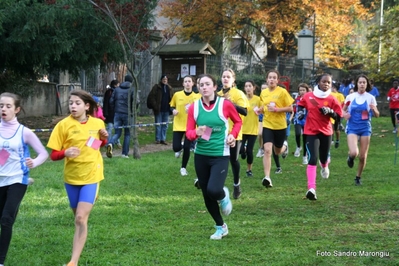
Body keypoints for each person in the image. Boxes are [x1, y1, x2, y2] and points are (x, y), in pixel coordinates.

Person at [47, 90, 108, 266]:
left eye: (77, 103)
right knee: (78, 219)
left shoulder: (97, 123)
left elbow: (96, 145)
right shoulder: (63, 126)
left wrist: (104, 139)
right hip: (72, 178)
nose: (73, 106)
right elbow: (54, 155)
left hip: (92, 175)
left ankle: (73, 262)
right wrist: (65, 152)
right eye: (71, 103)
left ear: (87, 106)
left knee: (80, 218)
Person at [186, 74, 242, 240]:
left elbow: (238, 122)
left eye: (207, 84)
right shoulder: (194, 108)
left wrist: (232, 135)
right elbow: (188, 133)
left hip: (220, 154)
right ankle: (220, 226)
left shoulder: (224, 105)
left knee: (214, 190)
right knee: (206, 194)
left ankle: (223, 195)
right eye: (201, 85)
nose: (204, 87)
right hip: (201, 155)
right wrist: (195, 132)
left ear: (214, 87)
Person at [0, 92, 49, 266]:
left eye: (8, 106)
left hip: (17, 179)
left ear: (17, 109)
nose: (3, 109)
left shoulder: (24, 132)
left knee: (6, 220)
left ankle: (1, 261)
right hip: (0, 179)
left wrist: (33, 163)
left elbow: (43, 153)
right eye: (1, 106)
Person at [297, 73, 343, 200]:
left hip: (326, 132)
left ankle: (324, 165)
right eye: (324, 81)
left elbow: (339, 116)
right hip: (311, 131)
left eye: (329, 82)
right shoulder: (309, 96)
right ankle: (311, 189)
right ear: (319, 82)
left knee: (323, 158)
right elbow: (301, 104)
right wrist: (300, 112)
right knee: (313, 158)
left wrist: (331, 112)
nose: (326, 84)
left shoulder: (332, 99)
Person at [217, 68, 249, 199]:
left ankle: (236, 184)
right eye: (223, 76)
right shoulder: (217, 94)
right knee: (219, 159)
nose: (225, 79)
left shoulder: (238, 93)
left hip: (235, 132)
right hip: (219, 132)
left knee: (233, 160)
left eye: (228, 77)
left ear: (233, 80)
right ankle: (217, 185)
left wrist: (230, 103)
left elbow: (245, 111)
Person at [259, 70, 294, 188]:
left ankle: (285, 146)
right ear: (267, 79)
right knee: (267, 150)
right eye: (270, 77)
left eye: (274, 77)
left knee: (277, 151)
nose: (272, 79)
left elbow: (290, 108)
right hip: (268, 124)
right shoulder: (263, 93)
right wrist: (260, 110)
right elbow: (263, 106)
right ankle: (267, 177)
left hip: (280, 125)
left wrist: (277, 110)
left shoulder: (282, 92)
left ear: (277, 80)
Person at [343, 74, 379, 185]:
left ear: (367, 84)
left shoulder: (370, 98)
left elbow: (377, 115)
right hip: (352, 127)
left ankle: (358, 178)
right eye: (360, 82)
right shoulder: (350, 97)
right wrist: (345, 115)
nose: (362, 84)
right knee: (354, 152)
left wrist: (373, 110)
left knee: (363, 156)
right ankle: (350, 157)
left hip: (365, 128)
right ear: (357, 84)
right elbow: (342, 109)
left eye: (364, 82)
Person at [170, 75, 201, 176]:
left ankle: (183, 168)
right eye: (186, 81)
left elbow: (201, 109)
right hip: (178, 125)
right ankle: (180, 148)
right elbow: (171, 106)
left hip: (190, 126)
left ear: (193, 83)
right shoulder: (177, 95)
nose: (187, 83)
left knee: (187, 147)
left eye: (189, 81)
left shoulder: (197, 97)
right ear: (183, 84)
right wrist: (173, 110)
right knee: (175, 147)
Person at [106, 75, 134, 158]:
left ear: (124, 80)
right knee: (127, 134)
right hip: (127, 114)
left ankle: (110, 143)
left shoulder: (117, 89)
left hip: (117, 113)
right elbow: (136, 101)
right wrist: (132, 111)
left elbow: (111, 101)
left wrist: (115, 109)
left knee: (117, 133)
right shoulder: (132, 89)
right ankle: (124, 154)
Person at [239, 80, 260, 177]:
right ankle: (242, 152)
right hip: (242, 129)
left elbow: (263, 111)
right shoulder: (242, 99)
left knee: (249, 150)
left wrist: (260, 110)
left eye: (250, 86)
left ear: (254, 87)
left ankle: (249, 170)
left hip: (253, 129)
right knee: (241, 150)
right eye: (246, 86)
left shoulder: (258, 99)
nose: (248, 88)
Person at [147, 74, 174, 145]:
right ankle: (158, 139)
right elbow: (151, 97)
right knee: (158, 124)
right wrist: (155, 106)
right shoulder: (156, 87)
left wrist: (171, 107)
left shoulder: (169, 88)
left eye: (166, 79)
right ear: (161, 80)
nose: (165, 80)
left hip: (167, 109)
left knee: (165, 125)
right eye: (163, 79)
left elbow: (172, 98)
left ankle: (163, 139)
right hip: (158, 109)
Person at [293, 83, 311, 164]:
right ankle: (298, 146)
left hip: (307, 121)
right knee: (297, 134)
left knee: (305, 139)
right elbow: (294, 108)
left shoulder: (310, 99)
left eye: (303, 90)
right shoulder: (297, 99)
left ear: (307, 90)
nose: (302, 92)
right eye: (300, 90)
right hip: (298, 120)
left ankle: (305, 156)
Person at [103, 79, 121, 147]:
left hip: (116, 113)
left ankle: (117, 141)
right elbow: (106, 103)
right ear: (115, 85)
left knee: (117, 128)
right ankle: (108, 143)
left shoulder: (118, 92)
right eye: (118, 84)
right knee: (110, 128)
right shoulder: (109, 92)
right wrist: (106, 113)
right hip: (110, 114)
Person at [330, 82, 345, 148]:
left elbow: (342, 104)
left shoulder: (340, 95)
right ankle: (331, 140)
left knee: (336, 128)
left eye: (332, 87)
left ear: (335, 88)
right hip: (330, 112)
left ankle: (337, 140)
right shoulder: (329, 94)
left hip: (337, 113)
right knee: (331, 126)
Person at [256, 83, 268, 158]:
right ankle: (261, 148)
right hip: (260, 118)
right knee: (260, 134)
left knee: (264, 135)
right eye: (262, 88)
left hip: (268, 119)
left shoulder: (269, 97)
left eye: (265, 88)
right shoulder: (258, 98)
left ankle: (263, 149)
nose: (263, 90)